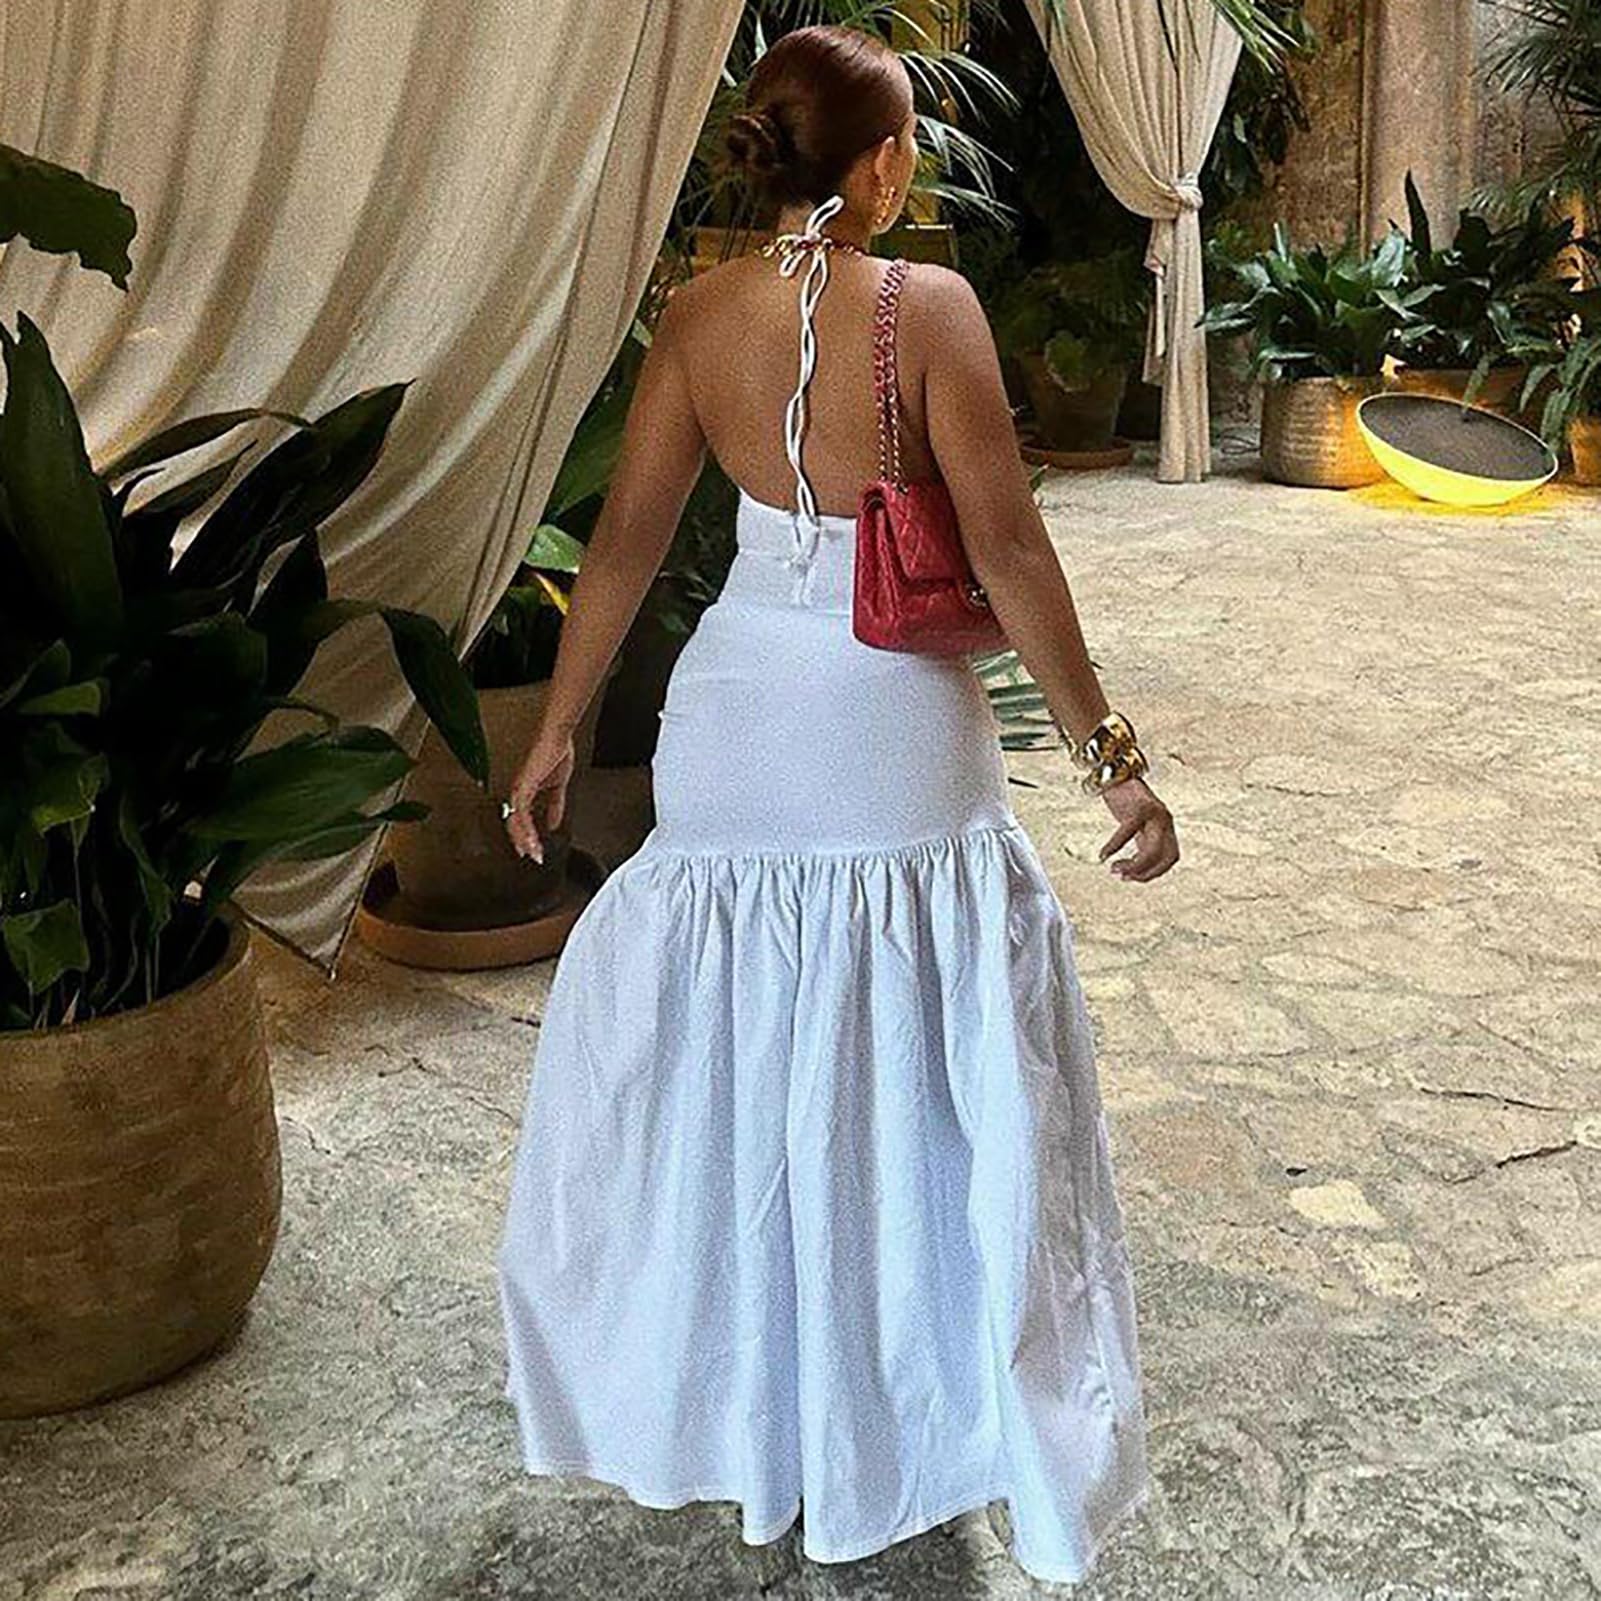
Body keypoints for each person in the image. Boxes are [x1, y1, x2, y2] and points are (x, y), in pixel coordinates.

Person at [496, 22, 1179, 1587]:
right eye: (907, 139)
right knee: (916, 1059)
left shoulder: (695, 317)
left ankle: (752, 1397)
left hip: (735, 706)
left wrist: (558, 725)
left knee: (748, 1053)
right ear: (876, 163)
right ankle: (917, 1396)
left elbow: (625, 542)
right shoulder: (928, 309)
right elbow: (1006, 546)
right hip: (887, 713)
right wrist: (1108, 754)